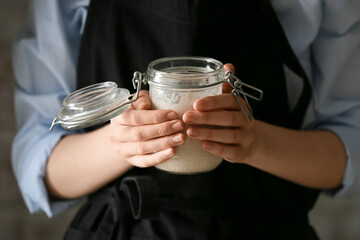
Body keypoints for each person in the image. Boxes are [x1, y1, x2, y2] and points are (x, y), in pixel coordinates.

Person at [12, 0, 360, 239]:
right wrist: (117, 143)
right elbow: (40, 169)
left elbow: (347, 151)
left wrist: (256, 141)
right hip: (118, 229)